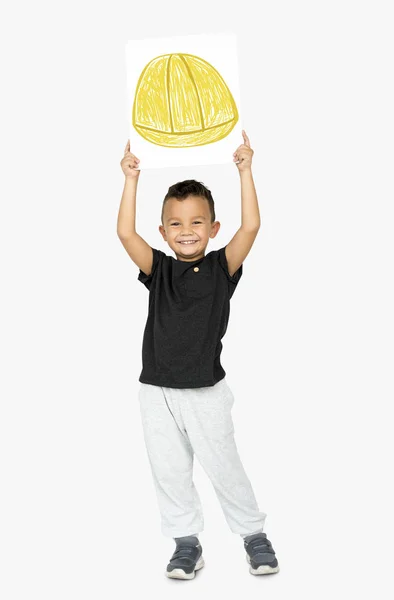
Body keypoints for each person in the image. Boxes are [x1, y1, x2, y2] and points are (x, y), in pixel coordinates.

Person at [117, 131, 280, 579]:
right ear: (163, 230)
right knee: (169, 470)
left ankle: (253, 534)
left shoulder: (221, 267)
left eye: (196, 223)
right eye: (176, 223)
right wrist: (130, 179)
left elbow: (251, 227)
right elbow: (124, 232)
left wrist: (245, 171)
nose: (186, 231)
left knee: (224, 465)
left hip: (205, 392)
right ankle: (186, 543)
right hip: (156, 393)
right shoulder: (158, 270)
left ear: (212, 228)